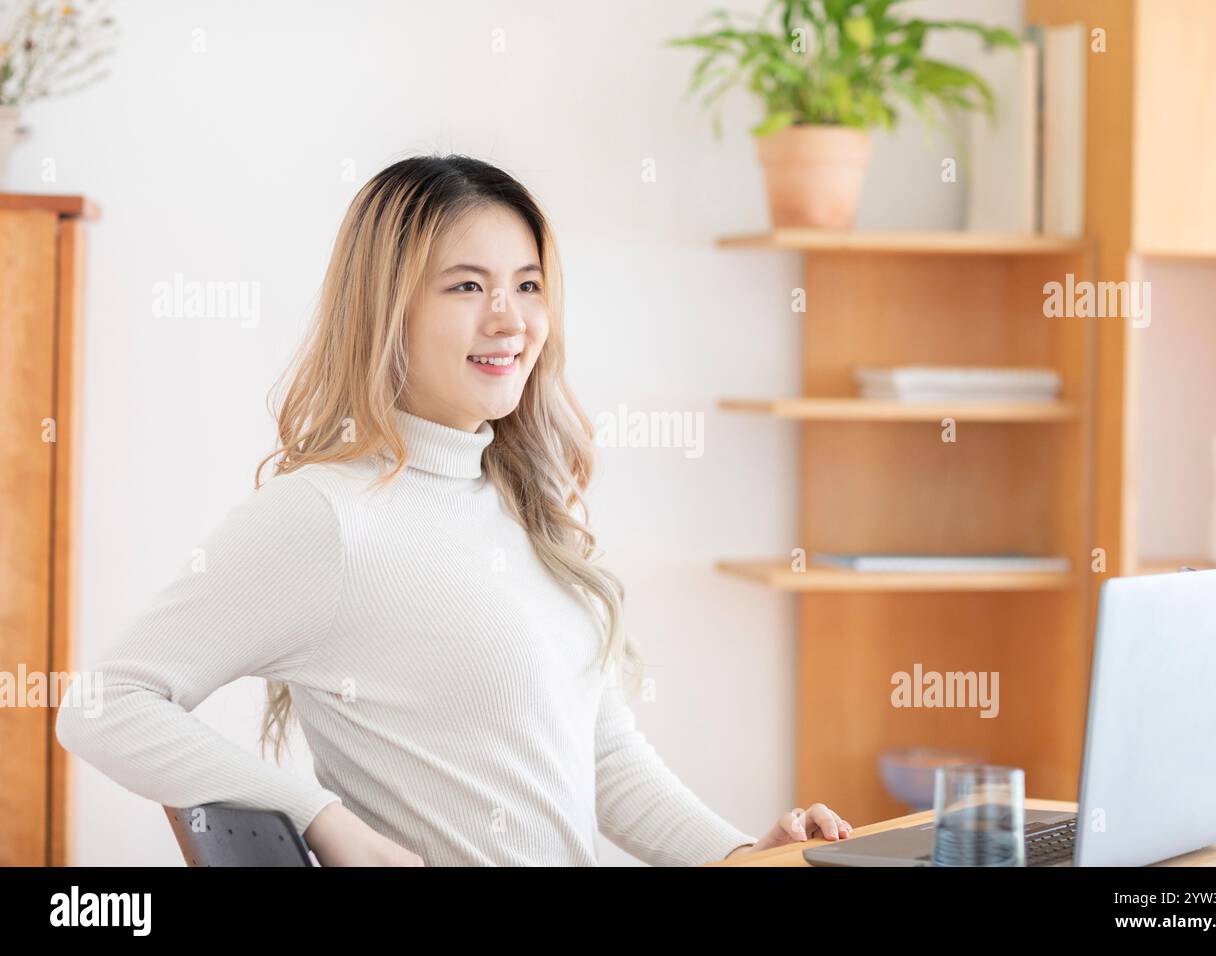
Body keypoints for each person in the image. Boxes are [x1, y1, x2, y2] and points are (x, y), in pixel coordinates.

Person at [56, 154, 852, 866]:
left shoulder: (525, 505)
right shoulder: (326, 518)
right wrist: (318, 815)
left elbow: (602, 757)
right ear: (384, 311)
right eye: (468, 286)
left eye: (527, 284)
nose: (510, 319)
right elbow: (104, 705)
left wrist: (743, 855)